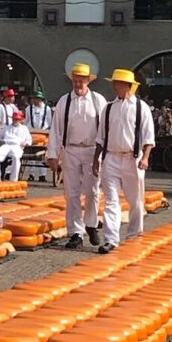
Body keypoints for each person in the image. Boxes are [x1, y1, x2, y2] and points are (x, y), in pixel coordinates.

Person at [92, 69, 155, 254]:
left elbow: (148, 136)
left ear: (128, 86)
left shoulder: (140, 107)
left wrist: (145, 157)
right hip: (111, 157)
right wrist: (96, 159)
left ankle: (134, 235)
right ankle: (111, 239)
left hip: (132, 158)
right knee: (111, 199)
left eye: (117, 83)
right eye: (114, 82)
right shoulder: (109, 108)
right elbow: (100, 136)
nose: (114, 86)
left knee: (135, 200)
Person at [47, 63, 107, 249]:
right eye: (75, 81)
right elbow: (55, 130)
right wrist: (52, 154)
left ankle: (91, 224)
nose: (78, 84)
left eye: (81, 81)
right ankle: (75, 233)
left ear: (88, 81)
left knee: (93, 191)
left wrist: (104, 152)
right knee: (71, 193)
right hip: (70, 149)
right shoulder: (64, 102)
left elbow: (105, 128)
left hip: (92, 150)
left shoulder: (99, 101)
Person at [0, 111, 32, 181]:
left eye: (17, 119)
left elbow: (29, 140)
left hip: (17, 146)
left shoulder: (24, 128)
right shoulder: (6, 127)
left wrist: (25, 143)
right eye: (14, 119)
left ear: (20, 120)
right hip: (6, 145)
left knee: (16, 158)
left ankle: (13, 179)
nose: (15, 120)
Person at [25, 90, 52, 182]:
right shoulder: (29, 108)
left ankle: (42, 175)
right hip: (31, 133)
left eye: (37, 99)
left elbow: (49, 121)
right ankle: (31, 174)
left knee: (42, 155)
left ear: (41, 99)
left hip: (43, 133)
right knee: (31, 154)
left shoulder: (47, 109)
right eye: (34, 99)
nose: (35, 100)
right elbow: (27, 120)